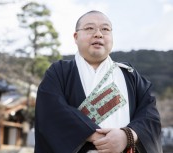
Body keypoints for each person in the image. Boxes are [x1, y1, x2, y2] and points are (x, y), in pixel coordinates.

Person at [34, 10, 162, 153]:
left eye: (105, 29)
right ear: (76, 37)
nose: (98, 34)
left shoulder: (130, 75)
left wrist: (127, 136)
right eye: (89, 28)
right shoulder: (59, 72)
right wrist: (95, 136)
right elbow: (51, 111)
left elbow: (150, 116)